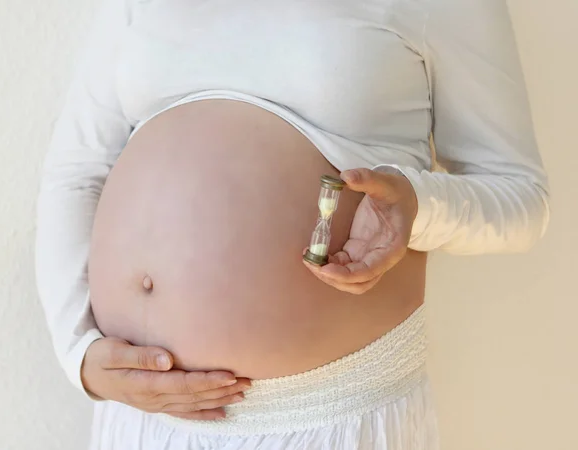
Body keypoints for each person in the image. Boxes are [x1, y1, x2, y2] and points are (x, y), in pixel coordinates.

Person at [35, 0, 550, 448]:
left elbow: (520, 197)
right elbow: (78, 173)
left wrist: (419, 204)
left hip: (330, 418)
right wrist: (77, 352)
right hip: (143, 419)